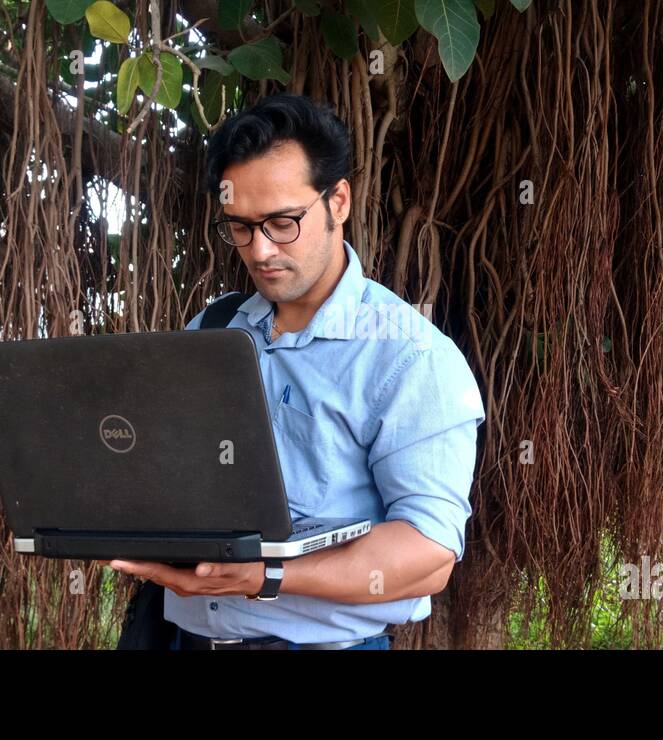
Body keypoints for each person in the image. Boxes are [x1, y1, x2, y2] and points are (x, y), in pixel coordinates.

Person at [108, 93, 486, 650]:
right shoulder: (211, 331)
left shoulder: (410, 358)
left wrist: (266, 577)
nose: (260, 250)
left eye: (283, 222)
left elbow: (428, 554)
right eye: (239, 227)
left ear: (338, 201)